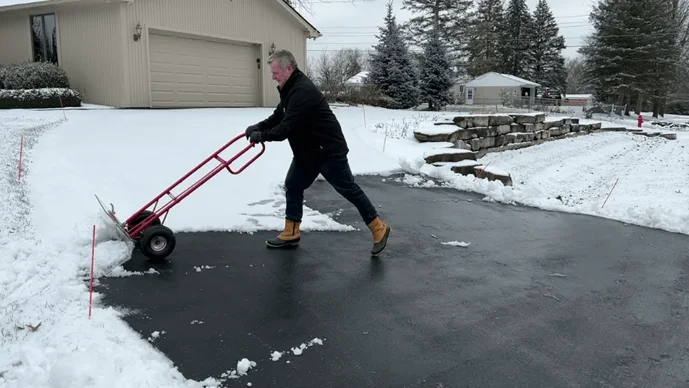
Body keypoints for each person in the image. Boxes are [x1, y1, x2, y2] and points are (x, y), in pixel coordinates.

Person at [245, 49, 391, 256]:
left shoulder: (302, 91)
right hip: (308, 152)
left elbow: (286, 128)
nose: (272, 75)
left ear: (289, 68)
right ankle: (291, 232)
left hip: (328, 150)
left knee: (347, 188)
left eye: (275, 71)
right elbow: (279, 115)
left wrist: (261, 135)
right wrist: (256, 127)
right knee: (293, 185)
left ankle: (379, 228)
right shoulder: (289, 88)